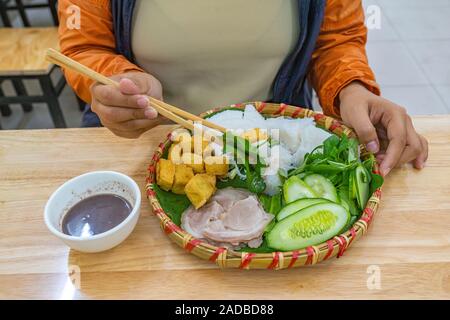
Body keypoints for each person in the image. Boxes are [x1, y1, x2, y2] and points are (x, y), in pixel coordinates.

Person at [58, 0, 428, 176]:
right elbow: (83, 48)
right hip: (142, 142)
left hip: (275, 148)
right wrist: (122, 82)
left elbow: (335, 39)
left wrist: (352, 88)